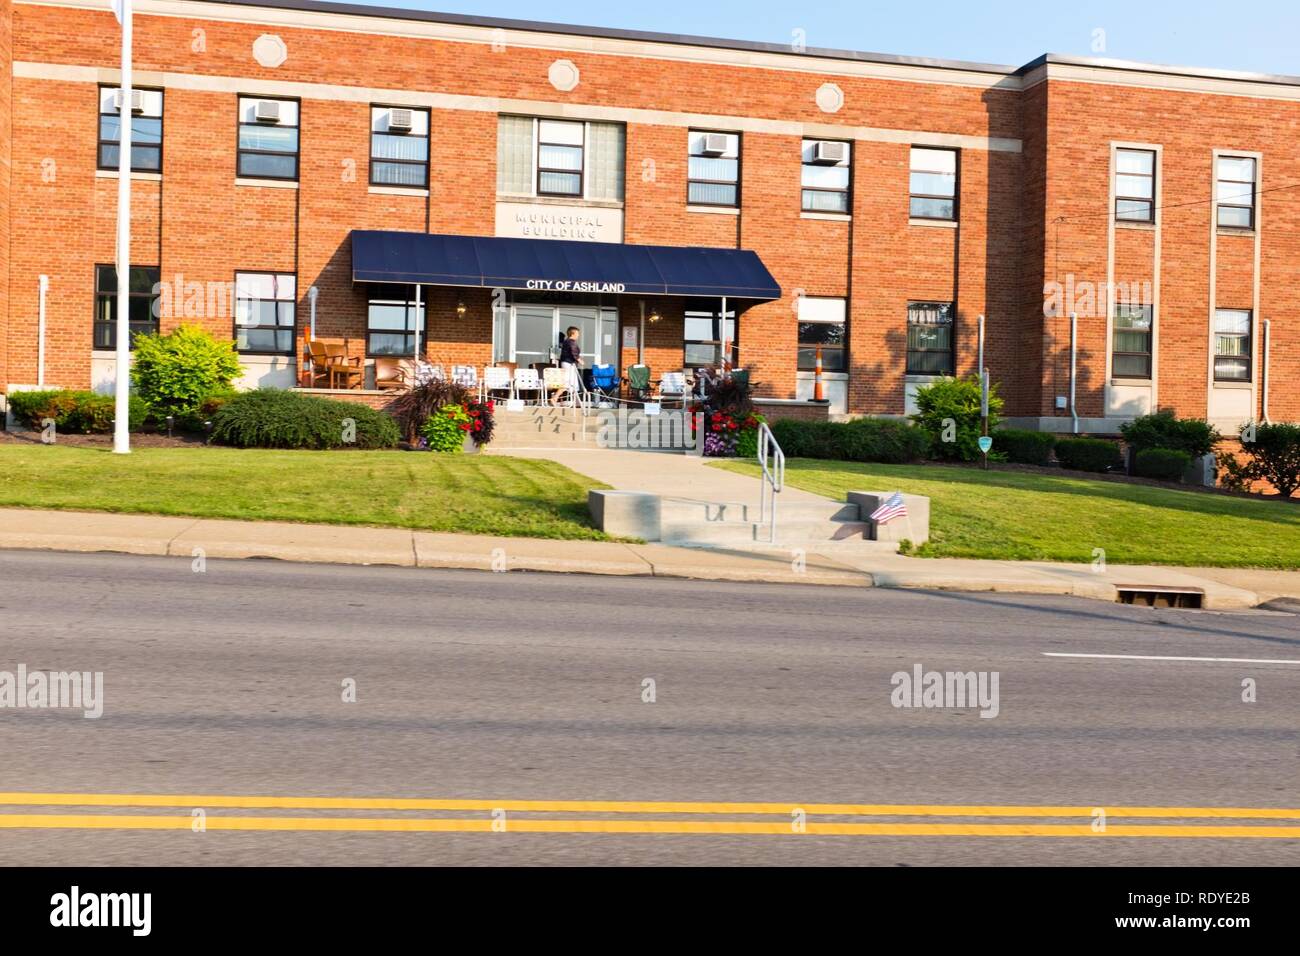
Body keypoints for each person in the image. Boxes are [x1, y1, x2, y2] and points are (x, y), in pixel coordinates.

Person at [558, 325, 582, 406]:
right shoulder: (571, 342)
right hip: (568, 364)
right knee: (567, 382)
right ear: (573, 333)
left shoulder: (566, 341)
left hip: (568, 363)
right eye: (577, 333)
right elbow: (573, 352)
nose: (578, 335)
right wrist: (579, 359)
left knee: (574, 383)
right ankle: (554, 398)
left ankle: (577, 402)